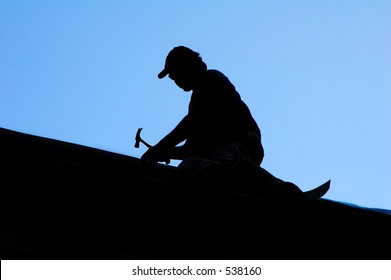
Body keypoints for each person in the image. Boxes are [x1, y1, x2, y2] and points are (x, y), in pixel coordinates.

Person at [141, 46, 308, 201]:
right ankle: (250, 186)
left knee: (229, 162)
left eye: (177, 73)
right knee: (189, 166)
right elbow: (193, 148)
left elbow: (192, 122)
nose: (176, 80)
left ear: (191, 65)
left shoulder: (210, 79)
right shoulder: (196, 103)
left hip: (239, 140)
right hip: (223, 150)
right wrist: (167, 153)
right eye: (173, 77)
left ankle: (282, 190)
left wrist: (160, 148)